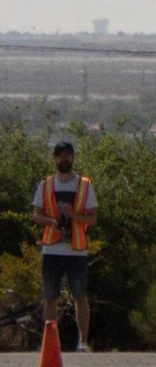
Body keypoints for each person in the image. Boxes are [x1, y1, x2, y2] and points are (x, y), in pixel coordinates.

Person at [31, 139, 97, 352]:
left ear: (73, 157)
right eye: (60, 155)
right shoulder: (46, 184)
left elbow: (92, 219)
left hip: (77, 249)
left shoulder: (85, 185)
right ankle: (51, 343)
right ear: (55, 158)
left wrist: (73, 215)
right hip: (51, 248)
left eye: (68, 154)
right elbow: (36, 213)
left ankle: (84, 341)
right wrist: (50, 221)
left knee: (80, 296)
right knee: (50, 296)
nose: (64, 158)